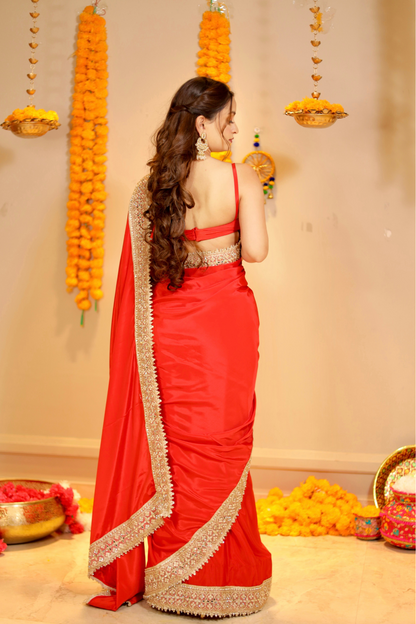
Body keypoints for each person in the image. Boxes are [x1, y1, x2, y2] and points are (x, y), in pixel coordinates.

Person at [86, 76, 272, 618]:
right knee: (221, 437)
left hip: (169, 327)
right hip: (226, 326)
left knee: (173, 443)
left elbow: (145, 275)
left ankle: (168, 578)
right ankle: (219, 578)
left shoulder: (152, 189)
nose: (234, 128)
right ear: (202, 123)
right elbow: (255, 252)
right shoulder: (242, 178)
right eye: (228, 118)